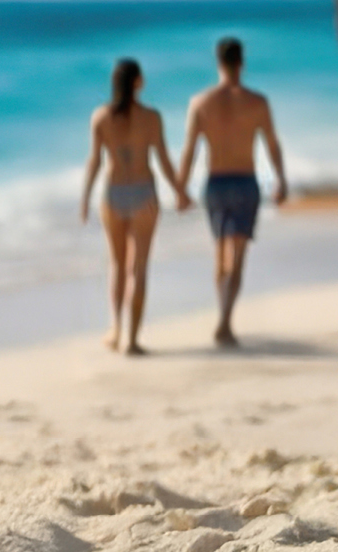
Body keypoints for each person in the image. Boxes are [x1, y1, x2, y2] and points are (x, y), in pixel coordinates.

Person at [178, 36, 290, 347]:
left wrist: (180, 188)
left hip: (214, 183)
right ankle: (225, 322)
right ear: (241, 63)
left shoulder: (200, 103)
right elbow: (272, 144)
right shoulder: (257, 102)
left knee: (219, 255)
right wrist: (281, 180)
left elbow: (189, 150)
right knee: (237, 257)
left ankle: (223, 316)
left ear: (218, 63)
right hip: (244, 182)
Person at [79, 58, 189, 355]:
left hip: (112, 193)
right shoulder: (152, 118)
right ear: (138, 82)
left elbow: (94, 162)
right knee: (138, 267)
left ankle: (115, 329)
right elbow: (163, 160)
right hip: (143, 193)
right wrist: (180, 191)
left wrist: (85, 198)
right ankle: (133, 340)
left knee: (117, 264)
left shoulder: (100, 117)